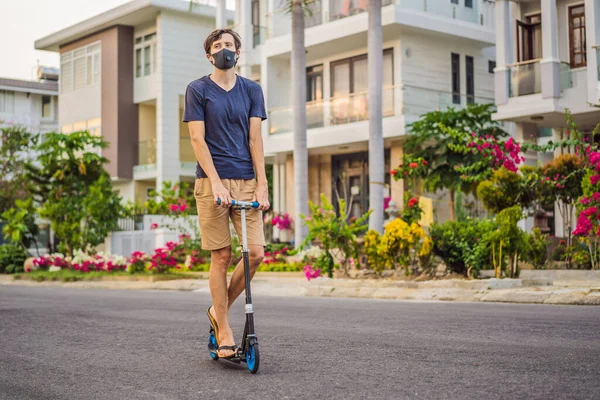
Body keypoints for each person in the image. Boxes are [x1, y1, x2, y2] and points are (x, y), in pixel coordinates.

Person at [183, 28, 269, 359]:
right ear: (209, 55)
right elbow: (197, 140)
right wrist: (216, 182)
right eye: (217, 46)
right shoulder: (198, 89)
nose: (224, 50)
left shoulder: (251, 90)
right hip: (211, 183)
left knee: (257, 253)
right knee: (221, 256)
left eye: (229, 45)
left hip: (246, 179)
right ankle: (225, 329)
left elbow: (255, 140)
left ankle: (218, 311)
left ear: (238, 52)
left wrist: (262, 182)